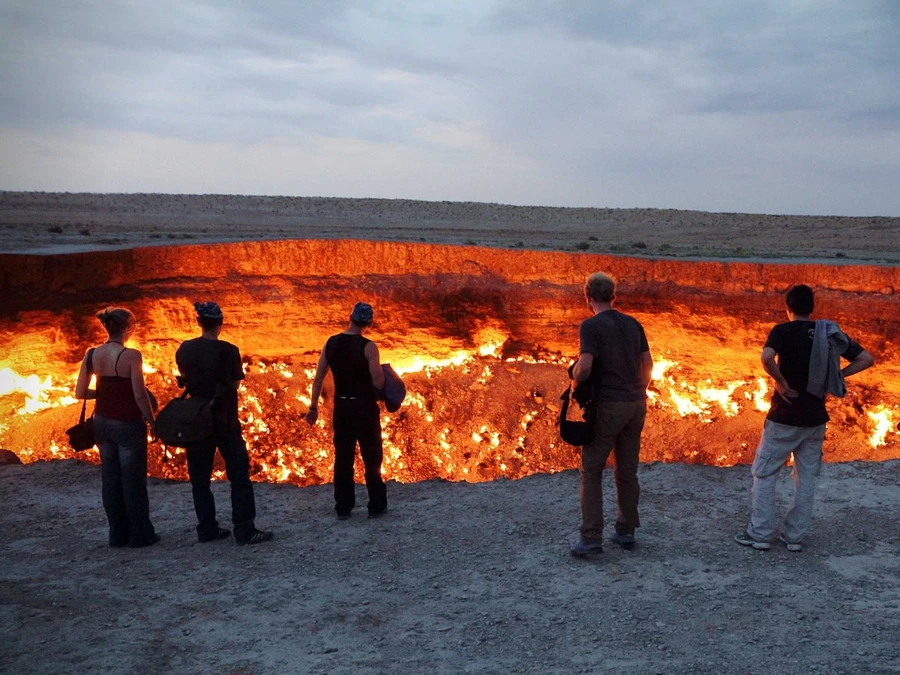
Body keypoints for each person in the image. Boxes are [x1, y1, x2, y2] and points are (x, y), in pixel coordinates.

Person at [735, 284, 874, 552]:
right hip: (815, 419)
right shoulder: (827, 333)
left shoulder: (782, 330)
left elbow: (766, 357)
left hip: (784, 417)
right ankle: (794, 537)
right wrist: (837, 377)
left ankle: (761, 534)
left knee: (764, 473)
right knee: (806, 478)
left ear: (788, 309)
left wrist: (781, 381)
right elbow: (866, 359)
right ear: (812, 309)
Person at [175, 302, 273, 546]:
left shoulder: (185, 349)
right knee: (239, 476)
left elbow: (184, 377)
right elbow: (235, 384)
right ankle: (244, 530)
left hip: (197, 422)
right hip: (225, 420)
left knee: (200, 479)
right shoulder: (229, 350)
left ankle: (207, 529)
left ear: (199, 322)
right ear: (220, 323)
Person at [570, 273, 653, 556]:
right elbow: (648, 363)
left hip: (609, 406)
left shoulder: (590, 326)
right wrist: (640, 389)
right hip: (636, 405)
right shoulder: (633, 324)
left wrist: (574, 384)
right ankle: (626, 532)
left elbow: (585, 366)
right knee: (626, 470)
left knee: (591, 470)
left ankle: (591, 537)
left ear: (588, 297)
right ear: (613, 296)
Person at [75, 307, 159, 548]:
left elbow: (80, 392)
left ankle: (117, 534)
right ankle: (141, 535)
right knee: (133, 481)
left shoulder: (92, 354)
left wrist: (102, 392)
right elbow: (140, 395)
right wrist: (152, 421)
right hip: (128, 424)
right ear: (128, 328)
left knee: (110, 479)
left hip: (101, 423)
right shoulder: (131, 356)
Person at [305, 302, 387, 520]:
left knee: (343, 458)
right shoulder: (369, 347)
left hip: (341, 407)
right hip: (364, 408)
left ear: (349, 317)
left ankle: (343, 507)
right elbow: (378, 382)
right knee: (372, 457)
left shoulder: (331, 343)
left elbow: (318, 378)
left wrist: (313, 407)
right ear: (369, 323)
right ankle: (376, 505)